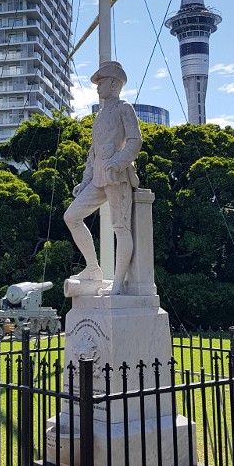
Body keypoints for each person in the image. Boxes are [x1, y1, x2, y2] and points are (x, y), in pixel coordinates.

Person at [64, 61, 142, 295]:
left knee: (120, 228)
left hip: (117, 176)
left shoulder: (124, 108)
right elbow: (93, 152)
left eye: (102, 82)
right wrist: (85, 180)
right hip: (98, 177)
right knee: (71, 216)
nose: (97, 87)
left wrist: (119, 163)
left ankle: (118, 283)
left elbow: (135, 140)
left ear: (114, 84)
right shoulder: (99, 115)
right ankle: (93, 269)